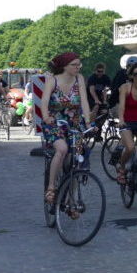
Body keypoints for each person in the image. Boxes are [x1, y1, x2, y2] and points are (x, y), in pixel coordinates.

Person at [40, 52, 93, 204]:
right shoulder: (53, 80)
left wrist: (88, 122)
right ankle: (51, 188)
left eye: (79, 64)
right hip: (54, 122)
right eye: (74, 65)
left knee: (76, 159)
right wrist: (46, 117)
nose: (78, 67)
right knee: (62, 149)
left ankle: (71, 199)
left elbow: (84, 101)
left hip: (74, 122)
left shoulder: (79, 79)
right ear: (64, 66)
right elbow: (44, 102)